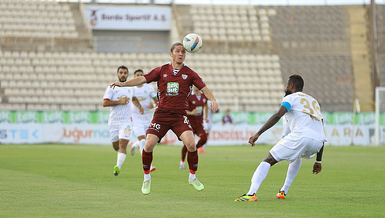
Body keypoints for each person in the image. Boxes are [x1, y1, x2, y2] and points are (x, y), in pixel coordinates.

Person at [110, 42, 219, 195]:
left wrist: (212, 99)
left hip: (180, 115)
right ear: (171, 54)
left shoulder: (190, 73)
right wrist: (124, 84)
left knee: (192, 145)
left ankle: (192, 177)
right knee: (148, 146)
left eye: (183, 52)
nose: (181, 54)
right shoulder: (161, 70)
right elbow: (142, 79)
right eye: (178, 51)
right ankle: (146, 178)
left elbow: (204, 87)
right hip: (161, 115)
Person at [235, 74, 326, 202]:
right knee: (297, 155)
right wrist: (318, 161)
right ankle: (283, 191)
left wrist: (258, 133)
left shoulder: (290, 98)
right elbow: (321, 129)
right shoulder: (314, 101)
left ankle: (251, 193)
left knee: (268, 159)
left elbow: (278, 115)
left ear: (292, 86)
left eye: (287, 85)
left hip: (301, 136)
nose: (286, 87)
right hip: (318, 142)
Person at [103, 66, 144, 177]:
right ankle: (124, 152)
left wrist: (139, 106)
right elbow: (105, 103)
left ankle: (118, 167)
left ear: (127, 75)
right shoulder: (111, 87)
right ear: (117, 74)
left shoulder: (131, 88)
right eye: (121, 73)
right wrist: (119, 101)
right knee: (116, 147)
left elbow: (134, 98)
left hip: (126, 122)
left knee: (122, 144)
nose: (123, 75)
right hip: (114, 122)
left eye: (125, 73)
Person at [129, 69, 158, 173]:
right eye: (138, 75)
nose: (140, 77)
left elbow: (157, 102)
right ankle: (148, 165)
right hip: (136, 118)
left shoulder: (149, 88)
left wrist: (153, 105)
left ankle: (133, 145)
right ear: (134, 77)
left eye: (141, 75)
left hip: (147, 118)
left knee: (148, 141)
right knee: (142, 140)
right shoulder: (132, 89)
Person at [180, 85, 208, 169]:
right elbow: (183, 109)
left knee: (204, 138)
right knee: (187, 144)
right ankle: (182, 161)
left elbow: (206, 105)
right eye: (195, 85)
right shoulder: (189, 97)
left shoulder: (203, 96)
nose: (197, 86)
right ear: (192, 86)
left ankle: (194, 149)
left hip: (199, 123)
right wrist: (191, 113)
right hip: (190, 124)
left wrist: (206, 116)